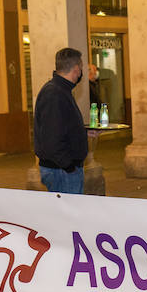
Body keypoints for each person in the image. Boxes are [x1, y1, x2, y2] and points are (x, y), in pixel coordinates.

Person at [33, 48, 90, 194]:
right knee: (68, 215)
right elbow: (51, 138)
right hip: (62, 172)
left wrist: (84, 133)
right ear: (76, 69)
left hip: (64, 169)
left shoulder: (62, 91)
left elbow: (63, 127)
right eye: (82, 68)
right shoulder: (54, 94)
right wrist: (69, 166)